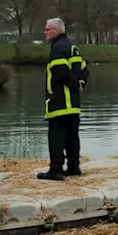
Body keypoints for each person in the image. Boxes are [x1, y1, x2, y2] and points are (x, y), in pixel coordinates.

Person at [37, 17, 89, 181]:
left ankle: (56, 170)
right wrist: (80, 83)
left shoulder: (57, 48)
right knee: (72, 136)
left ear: (56, 31)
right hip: (73, 103)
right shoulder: (73, 47)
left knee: (56, 137)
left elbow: (60, 72)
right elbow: (84, 69)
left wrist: (74, 84)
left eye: (47, 29)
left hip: (59, 101)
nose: (45, 32)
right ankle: (74, 167)